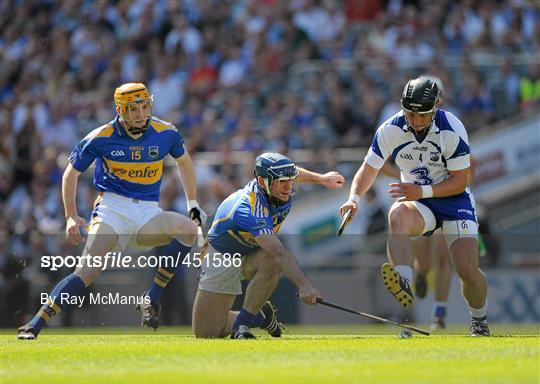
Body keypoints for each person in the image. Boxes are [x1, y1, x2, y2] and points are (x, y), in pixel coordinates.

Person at [17, 83, 206, 339]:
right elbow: (70, 174)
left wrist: (192, 202)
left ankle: (151, 297)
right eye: (133, 109)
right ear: (119, 109)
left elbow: (184, 162)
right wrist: (71, 216)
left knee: (187, 229)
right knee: (89, 270)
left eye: (144, 107)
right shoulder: (101, 136)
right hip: (111, 208)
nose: (140, 114)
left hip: (148, 212)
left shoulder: (166, 132)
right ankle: (36, 324)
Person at [340, 76, 490, 336]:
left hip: (453, 198)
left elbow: (460, 181)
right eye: (410, 113)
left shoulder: (451, 128)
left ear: (435, 109)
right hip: (419, 200)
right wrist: (354, 198)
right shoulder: (390, 129)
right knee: (397, 214)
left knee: (466, 269)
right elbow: (368, 168)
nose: (415, 120)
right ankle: (405, 283)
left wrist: (421, 190)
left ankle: (479, 319)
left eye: (422, 115)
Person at [192, 152, 345, 339]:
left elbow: (295, 172)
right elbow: (280, 252)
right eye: (282, 181)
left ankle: (242, 326)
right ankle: (261, 318)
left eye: (289, 180)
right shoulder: (248, 208)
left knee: (271, 261)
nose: (288, 186)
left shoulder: (278, 184)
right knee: (206, 334)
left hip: (252, 253)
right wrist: (304, 285)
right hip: (222, 256)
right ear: (263, 181)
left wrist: (322, 179)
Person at [379, 75, 452, 330]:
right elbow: (380, 164)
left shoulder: (450, 127)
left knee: (445, 257)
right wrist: (406, 179)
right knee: (426, 263)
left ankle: (439, 316)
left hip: (444, 200)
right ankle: (419, 276)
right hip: (417, 203)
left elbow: (465, 169)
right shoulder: (402, 128)